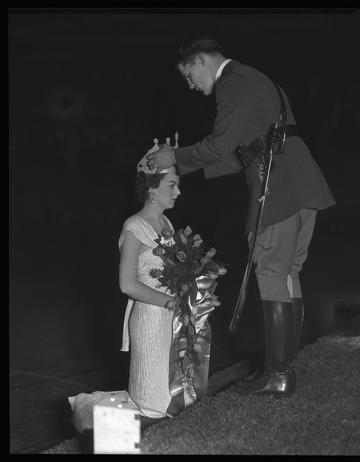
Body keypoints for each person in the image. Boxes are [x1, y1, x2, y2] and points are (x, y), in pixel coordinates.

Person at [146, 37, 336, 397]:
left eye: (189, 75)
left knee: (270, 272)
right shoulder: (258, 79)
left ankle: (277, 374)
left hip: (277, 186)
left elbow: (220, 144)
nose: (191, 86)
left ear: (201, 60)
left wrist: (173, 157)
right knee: (288, 273)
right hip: (302, 182)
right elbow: (245, 151)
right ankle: (284, 367)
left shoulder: (232, 82)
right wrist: (189, 170)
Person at [68, 143, 208, 430]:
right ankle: (87, 411)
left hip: (173, 319)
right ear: (152, 189)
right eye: (172, 185)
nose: (178, 192)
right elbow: (127, 284)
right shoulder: (133, 227)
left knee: (172, 398)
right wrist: (170, 301)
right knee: (152, 405)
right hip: (149, 319)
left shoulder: (167, 224)